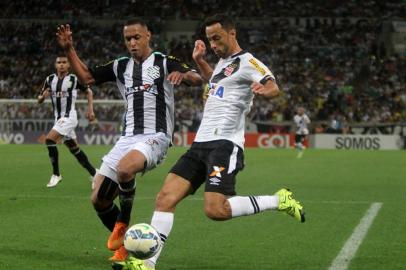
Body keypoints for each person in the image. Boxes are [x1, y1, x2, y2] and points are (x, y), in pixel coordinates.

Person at [114, 14, 305, 270]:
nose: (213, 45)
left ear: (232, 33)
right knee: (165, 198)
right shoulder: (223, 64)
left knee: (216, 210)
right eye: (209, 40)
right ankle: (147, 264)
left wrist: (264, 90)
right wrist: (200, 61)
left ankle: (278, 200)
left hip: (224, 145)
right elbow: (214, 80)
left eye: (217, 38)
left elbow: (272, 85)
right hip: (200, 144)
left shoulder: (248, 62)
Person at [56, 19, 203, 261]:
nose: (132, 42)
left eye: (137, 37)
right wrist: (69, 48)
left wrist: (183, 75)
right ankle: (126, 247)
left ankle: (123, 223)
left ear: (148, 36)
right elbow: (87, 78)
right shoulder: (119, 66)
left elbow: (197, 77)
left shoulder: (164, 61)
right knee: (99, 199)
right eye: (128, 39)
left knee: (126, 169)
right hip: (128, 138)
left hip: (156, 136)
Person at [37, 55, 97, 188]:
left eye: (64, 62)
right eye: (59, 62)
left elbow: (89, 92)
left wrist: (90, 110)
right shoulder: (50, 79)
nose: (62, 65)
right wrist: (42, 98)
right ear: (55, 65)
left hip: (69, 117)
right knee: (74, 148)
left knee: (49, 140)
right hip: (58, 119)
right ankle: (95, 174)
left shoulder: (74, 79)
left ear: (68, 65)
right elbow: (41, 97)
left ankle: (56, 174)